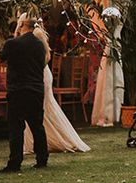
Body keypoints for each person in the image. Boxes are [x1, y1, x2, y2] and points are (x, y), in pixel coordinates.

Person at [24, 23, 90, 155]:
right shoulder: (30, 36)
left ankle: (57, 139)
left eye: (21, 25)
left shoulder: (37, 35)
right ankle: (41, 141)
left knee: (43, 107)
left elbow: (45, 56)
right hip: (38, 74)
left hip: (41, 75)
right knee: (39, 108)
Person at [0, 13, 49, 173]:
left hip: (18, 89)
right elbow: (41, 64)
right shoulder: (39, 45)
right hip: (35, 89)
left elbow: (1, 57)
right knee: (37, 126)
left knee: (16, 127)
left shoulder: (13, 43)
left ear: (21, 27)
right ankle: (42, 158)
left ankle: (15, 162)